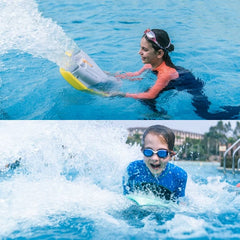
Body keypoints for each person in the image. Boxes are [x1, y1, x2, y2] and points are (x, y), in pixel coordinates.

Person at [110, 29, 240, 120]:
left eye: (144, 49)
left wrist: (123, 95)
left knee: (205, 114)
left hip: (189, 84)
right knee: (145, 96)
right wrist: (111, 75)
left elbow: (151, 95)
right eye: (140, 48)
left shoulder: (164, 74)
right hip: (174, 77)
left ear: (159, 54)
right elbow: (135, 75)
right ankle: (159, 114)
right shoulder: (150, 64)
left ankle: (236, 110)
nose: (139, 52)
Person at [123, 125, 187, 202]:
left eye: (162, 153)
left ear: (171, 155)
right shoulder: (133, 169)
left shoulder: (179, 175)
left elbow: (181, 205)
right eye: (148, 152)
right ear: (142, 152)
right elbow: (126, 199)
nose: (154, 158)